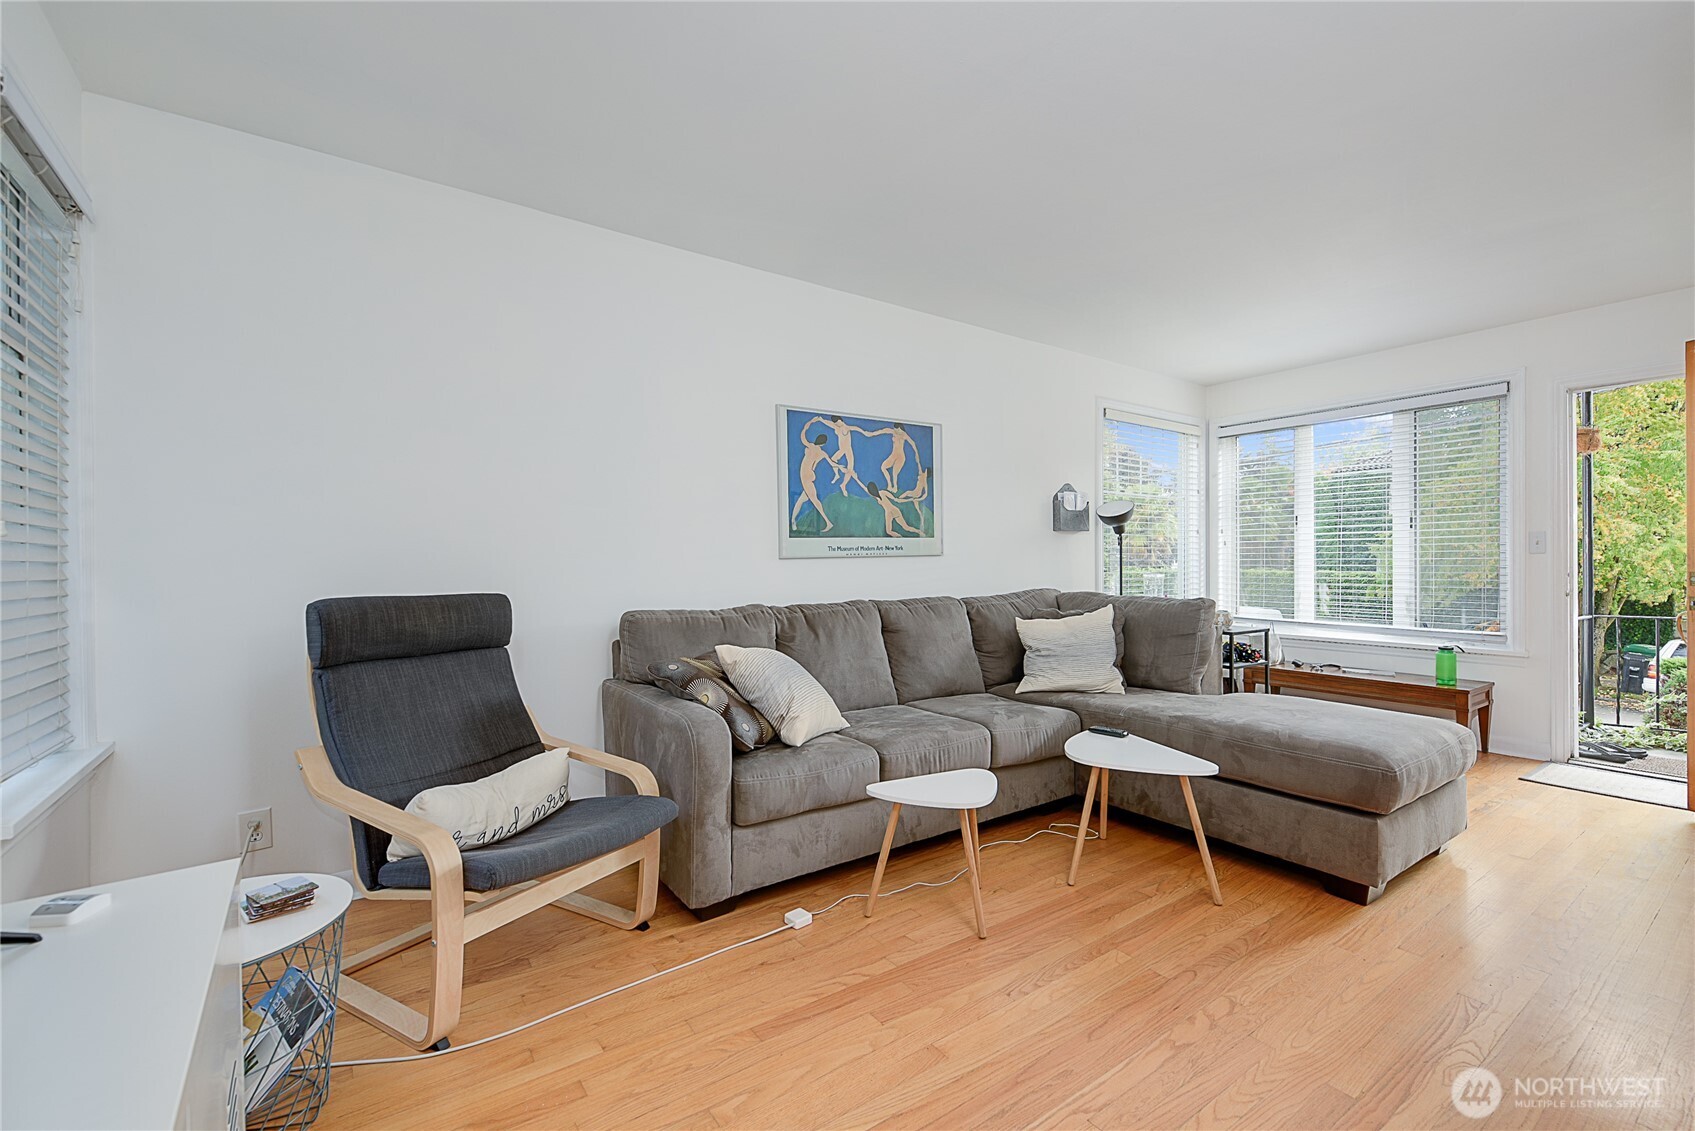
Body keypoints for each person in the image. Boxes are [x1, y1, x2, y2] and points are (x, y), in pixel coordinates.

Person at [791, 432, 844, 532]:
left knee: (814, 500)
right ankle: (793, 520)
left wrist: (809, 423)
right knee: (802, 500)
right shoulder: (822, 453)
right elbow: (832, 463)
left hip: (806, 475)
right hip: (809, 475)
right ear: (823, 444)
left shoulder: (810, 446)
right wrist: (840, 467)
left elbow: (802, 436)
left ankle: (828, 523)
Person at [803, 415, 867, 495]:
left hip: (848, 450)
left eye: (837, 422)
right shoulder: (837, 427)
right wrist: (821, 420)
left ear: (841, 420)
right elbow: (829, 423)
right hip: (841, 450)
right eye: (835, 423)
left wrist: (866, 433)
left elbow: (859, 430)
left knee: (850, 469)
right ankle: (837, 474)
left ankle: (843, 485)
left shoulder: (848, 428)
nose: (837, 424)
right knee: (833, 460)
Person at [895, 465, 930, 530]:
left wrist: (919, 499)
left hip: (917, 494)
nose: (924, 471)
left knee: (909, 495)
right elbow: (919, 464)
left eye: (926, 472)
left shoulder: (925, 482)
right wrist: (916, 455)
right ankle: (898, 499)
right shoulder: (921, 475)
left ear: (927, 474)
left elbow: (925, 494)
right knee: (917, 509)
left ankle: (898, 499)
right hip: (914, 492)